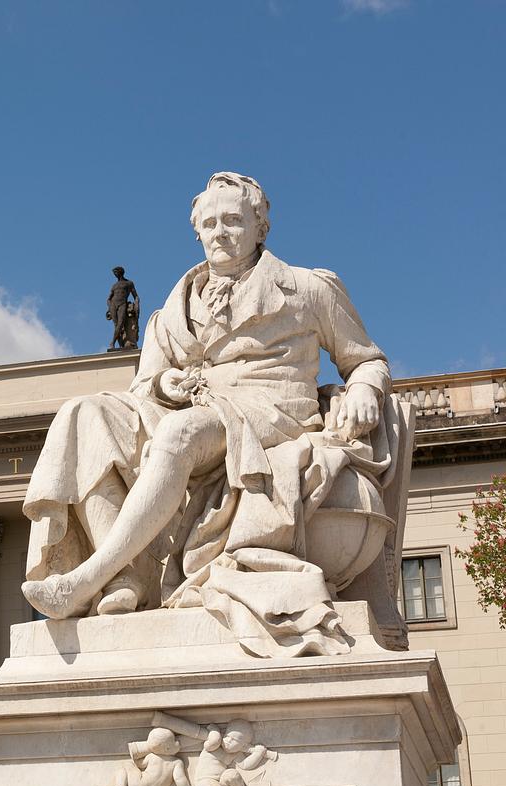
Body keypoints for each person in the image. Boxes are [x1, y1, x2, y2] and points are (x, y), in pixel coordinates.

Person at [21, 172, 391, 657]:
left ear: (260, 228)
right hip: (193, 406)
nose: (221, 232)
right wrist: (162, 382)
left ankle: (90, 577)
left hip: (270, 411)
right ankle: (128, 577)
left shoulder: (308, 288)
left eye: (235, 220)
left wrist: (364, 387)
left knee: (179, 431)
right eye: (211, 222)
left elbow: (366, 358)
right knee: (84, 416)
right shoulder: (171, 310)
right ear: (196, 230)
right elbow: (143, 385)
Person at [107, 266, 140, 349]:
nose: (115, 274)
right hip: (113, 305)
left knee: (120, 324)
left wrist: (137, 304)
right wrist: (109, 307)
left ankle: (112, 343)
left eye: (116, 272)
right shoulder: (114, 285)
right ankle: (121, 344)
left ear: (120, 272)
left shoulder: (129, 283)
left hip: (122, 304)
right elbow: (109, 298)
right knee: (116, 325)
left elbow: (135, 296)